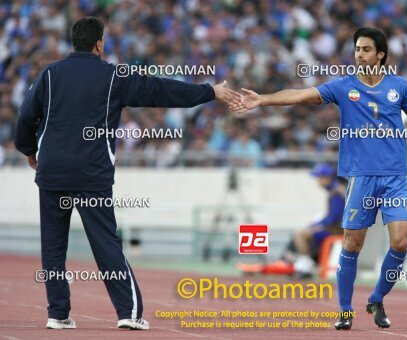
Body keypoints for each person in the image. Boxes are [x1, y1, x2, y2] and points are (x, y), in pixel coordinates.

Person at [14, 17, 240, 330]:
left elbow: (26, 116)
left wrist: (28, 149)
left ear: (73, 42)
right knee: (106, 243)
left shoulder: (49, 74)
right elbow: (159, 91)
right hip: (91, 173)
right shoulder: (113, 76)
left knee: (53, 246)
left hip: (51, 170)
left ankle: (58, 314)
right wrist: (208, 92)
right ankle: (128, 313)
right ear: (99, 45)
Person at [231, 27, 407, 330]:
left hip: (395, 179)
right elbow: (300, 95)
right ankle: (345, 309)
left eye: (365, 49)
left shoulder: (399, 87)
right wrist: (263, 100)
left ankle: (377, 298)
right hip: (361, 178)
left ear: (380, 54)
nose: (359, 54)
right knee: (352, 245)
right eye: (357, 49)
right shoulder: (343, 86)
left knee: (400, 244)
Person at [283, 163, 346, 278]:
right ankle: (303, 263)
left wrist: (318, 224)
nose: (318, 181)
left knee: (300, 233)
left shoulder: (336, 192)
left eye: (319, 178)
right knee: (307, 230)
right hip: (337, 227)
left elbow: (333, 219)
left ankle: (306, 267)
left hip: (336, 229)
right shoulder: (336, 189)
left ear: (327, 177)